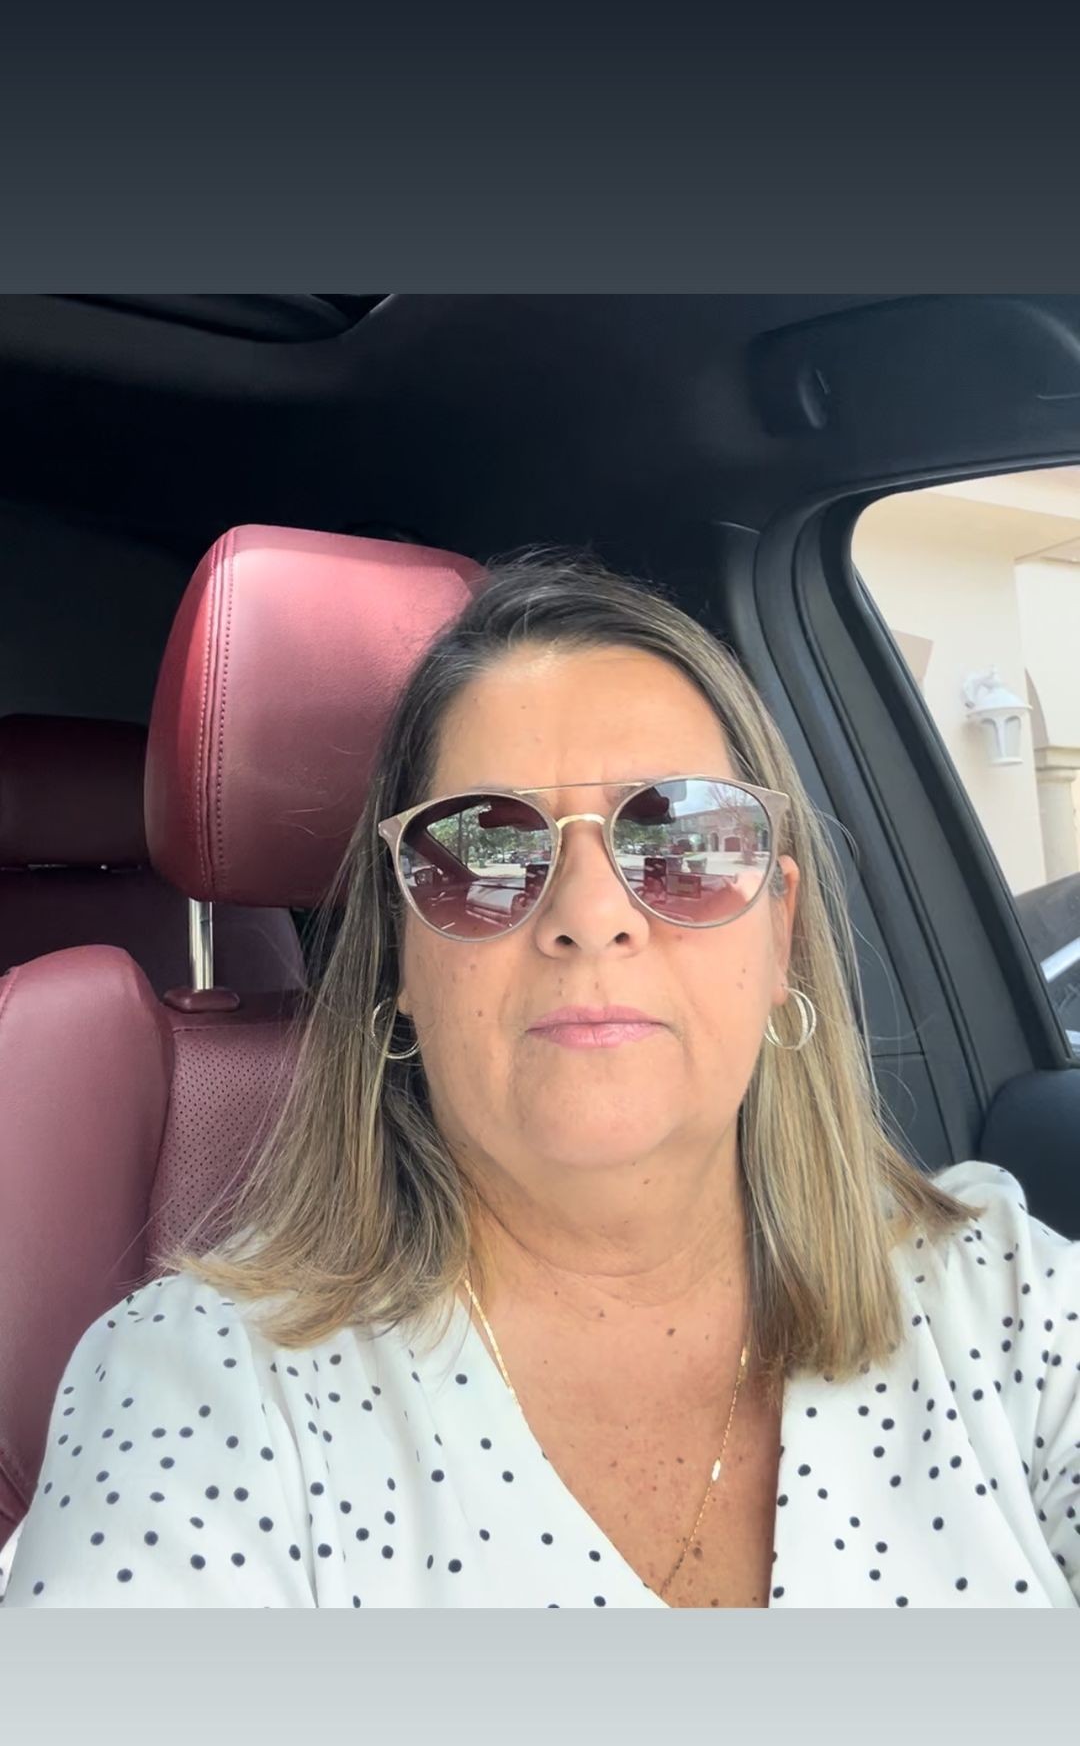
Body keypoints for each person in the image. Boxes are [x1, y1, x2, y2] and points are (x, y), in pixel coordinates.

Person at [4, 553, 1079, 1609]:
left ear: (781, 935)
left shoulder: (1005, 1303)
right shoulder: (200, 1396)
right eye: (482, 851)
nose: (588, 914)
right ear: (402, 959)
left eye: (682, 838)